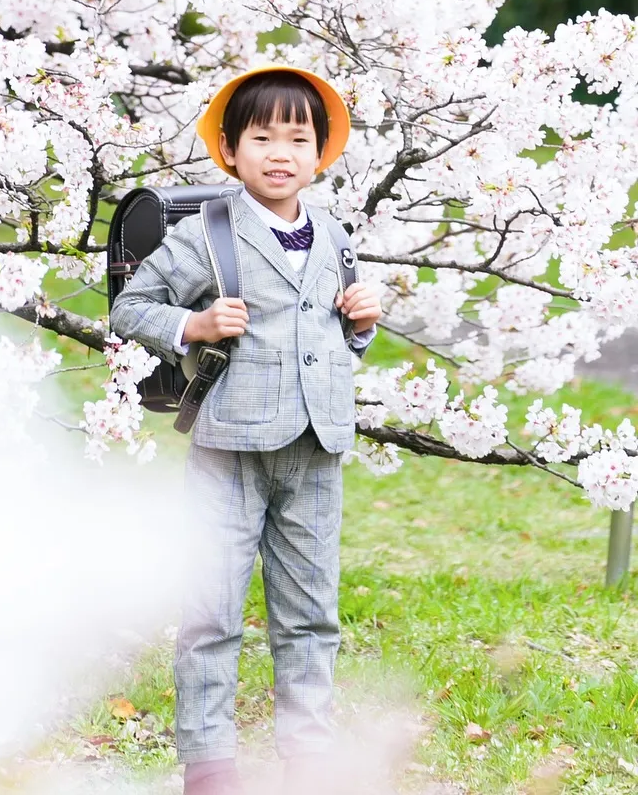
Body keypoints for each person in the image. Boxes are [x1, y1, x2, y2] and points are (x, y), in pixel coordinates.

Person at [109, 66, 384, 794]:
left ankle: (310, 753)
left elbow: (328, 336)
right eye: (261, 137)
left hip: (315, 450)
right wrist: (191, 324)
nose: (279, 153)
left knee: (311, 611)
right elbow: (130, 308)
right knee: (211, 609)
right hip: (229, 448)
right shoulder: (206, 236)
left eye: (298, 138)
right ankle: (210, 762)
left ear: (320, 152)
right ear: (230, 149)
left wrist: (360, 325)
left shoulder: (332, 234)